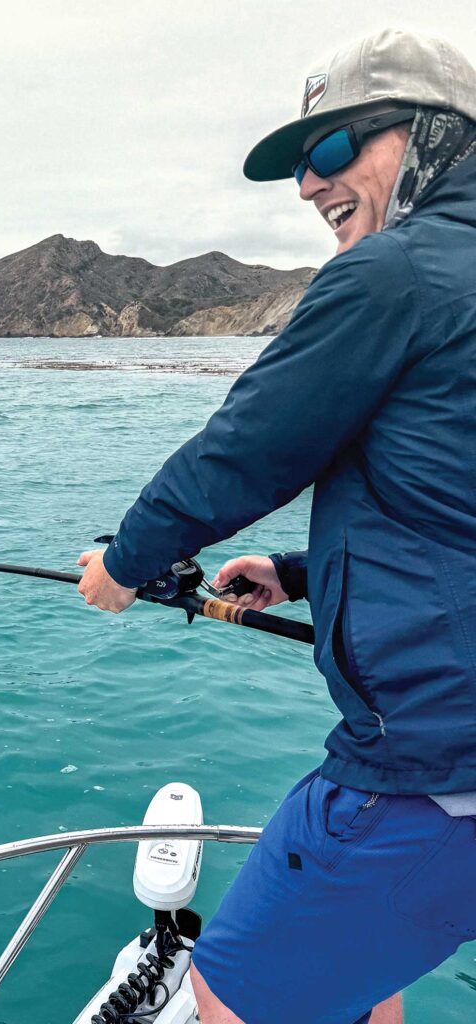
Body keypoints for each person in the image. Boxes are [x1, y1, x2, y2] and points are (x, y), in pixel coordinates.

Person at [76, 28, 476, 1024]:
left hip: (428, 768)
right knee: (353, 967)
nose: (306, 183)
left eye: (333, 149)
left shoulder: (393, 272)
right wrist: (299, 571)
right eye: (300, 166)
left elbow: (244, 452)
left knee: (231, 994)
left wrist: (124, 566)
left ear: (430, 135)